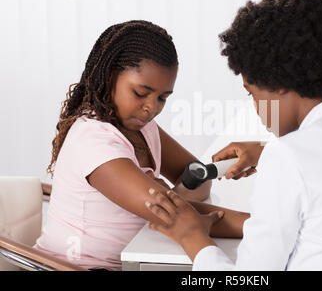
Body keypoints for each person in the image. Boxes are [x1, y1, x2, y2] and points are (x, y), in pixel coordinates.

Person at [145, 0, 322, 270]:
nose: (256, 108)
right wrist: (268, 152)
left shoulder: (288, 159)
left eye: (252, 93)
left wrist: (192, 237)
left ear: (277, 84)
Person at [34, 20, 249, 271]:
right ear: (110, 76)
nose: (152, 108)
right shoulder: (92, 140)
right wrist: (263, 226)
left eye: (162, 98)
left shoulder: (142, 127)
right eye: (140, 93)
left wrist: (178, 203)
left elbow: (195, 176)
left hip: (137, 259)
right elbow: (170, 211)